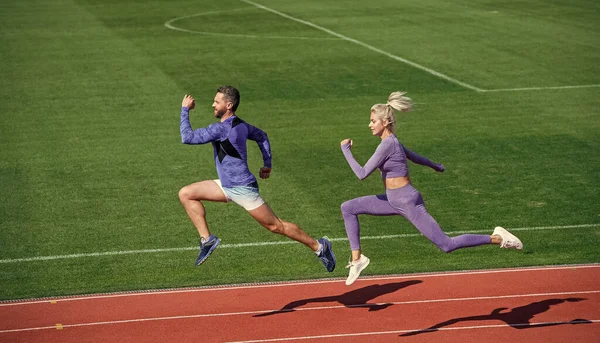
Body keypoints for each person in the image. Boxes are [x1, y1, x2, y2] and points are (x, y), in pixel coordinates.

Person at [340, 91, 523, 286]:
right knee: (348, 207)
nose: (369, 125)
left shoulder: (387, 145)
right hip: (392, 200)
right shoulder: (392, 143)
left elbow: (362, 173)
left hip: (408, 202)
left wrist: (346, 150)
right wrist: (435, 166)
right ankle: (358, 260)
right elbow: (414, 156)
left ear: (384, 122)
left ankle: (498, 238)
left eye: (373, 121)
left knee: (446, 244)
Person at [178, 86, 336, 272]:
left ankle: (319, 246)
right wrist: (267, 163)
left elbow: (187, 137)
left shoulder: (220, 129)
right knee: (186, 193)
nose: (213, 104)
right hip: (227, 186)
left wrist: (185, 109)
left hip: (243, 189)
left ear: (228, 105)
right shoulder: (242, 125)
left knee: (276, 226)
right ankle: (207, 240)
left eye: (216, 102)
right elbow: (262, 136)